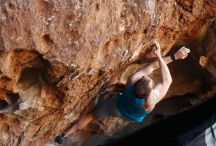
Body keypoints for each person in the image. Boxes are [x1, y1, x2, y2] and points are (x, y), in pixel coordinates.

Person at [55, 41, 191, 144]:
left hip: (115, 106)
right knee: (98, 112)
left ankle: (64, 135)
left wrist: (164, 55)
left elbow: (152, 67)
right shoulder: (149, 103)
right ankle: (64, 135)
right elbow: (167, 81)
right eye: (148, 79)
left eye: (146, 78)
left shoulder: (132, 82)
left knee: (91, 116)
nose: (147, 76)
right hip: (130, 116)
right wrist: (174, 57)